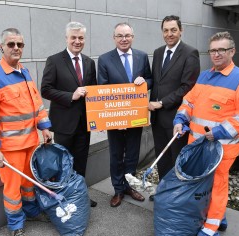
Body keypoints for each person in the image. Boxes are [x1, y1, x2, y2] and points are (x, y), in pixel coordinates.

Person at [173, 31, 239, 236]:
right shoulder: (204, 76)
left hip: (221, 148)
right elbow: (189, 102)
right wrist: (181, 118)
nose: (217, 54)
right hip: (197, 146)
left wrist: (218, 132)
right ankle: (217, 218)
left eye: (222, 50)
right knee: (204, 186)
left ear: (232, 51)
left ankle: (210, 233)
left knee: (218, 185)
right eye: (213, 50)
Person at [0, 28, 52, 236]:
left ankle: (31, 212)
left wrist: (45, 127)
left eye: (20, 44)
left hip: (31, 143)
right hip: (10, 149)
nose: (16, 48)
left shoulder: (25, 72)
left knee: (29, 183)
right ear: (1, 47)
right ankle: (16, 226)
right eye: (11, 44)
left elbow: (36, 104)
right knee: (12, 190)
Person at [41, 22, 98, 207]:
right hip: (64, 124)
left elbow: (94, 91)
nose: (77, 41)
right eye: (73, 37)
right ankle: (62, 200)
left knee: (81, 163)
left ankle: (80, 196)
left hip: (84, 124)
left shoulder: (89, 62)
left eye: (80, 38)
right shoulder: (54, 60)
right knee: (63, 163)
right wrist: (70, 96)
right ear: (66, 38)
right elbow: (46, 90)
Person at [98, 22, 152, 207]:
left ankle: (129, 186)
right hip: (115, 117)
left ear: (133, 37)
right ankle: (118, 190)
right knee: (116, 154)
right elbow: (102, 88)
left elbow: (150, 79)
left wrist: (144, 81)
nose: (124, 39)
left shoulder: (142, 56)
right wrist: (114, 116)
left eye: (127, 35)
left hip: (135, 115)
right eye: (120, 35)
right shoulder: (105, 59)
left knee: (132, 154)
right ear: (114, 38)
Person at [148, 15, 200, 201]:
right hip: (157, 117)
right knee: (161, 156)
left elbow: (187, 87)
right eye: (166, 30)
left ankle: (177, 196)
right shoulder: (158, 52)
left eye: (173, 30)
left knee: (177, 157)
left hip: (177, 117)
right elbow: (155, 82)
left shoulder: (190, 53)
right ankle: (163, 191)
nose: (169, 34)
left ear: (181, 30)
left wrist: (162, 102)